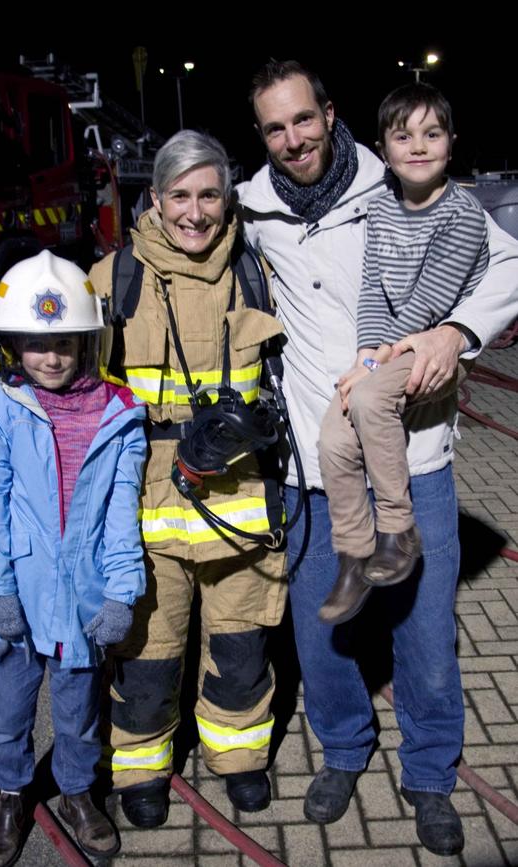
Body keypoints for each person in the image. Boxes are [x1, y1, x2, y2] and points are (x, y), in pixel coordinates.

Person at [237, 60, 518, 857]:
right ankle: (343, 749)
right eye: (274, 127)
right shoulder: (252, 206)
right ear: (262, 136)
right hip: (312, 455)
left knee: (425, 629)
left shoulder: (390, 176)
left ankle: (429, 772)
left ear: (330, 115)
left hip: (412, 446)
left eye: (304, 118)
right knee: (320, 625)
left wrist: (452, 335)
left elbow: (508, 262)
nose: (294, 138)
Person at [89, 130, 288, 829]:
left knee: (240, 643)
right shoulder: (113, 279)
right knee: (147, 647)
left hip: (238, 498)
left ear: (227, 199)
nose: (196, 212)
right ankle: (140, 763)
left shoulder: (256, 270)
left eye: (209, 194)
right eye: (181, 195)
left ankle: (238, 757)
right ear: (156, 198)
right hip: (145, 500)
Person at [0, 250, 147, 866]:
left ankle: (75, 791)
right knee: (8, 708)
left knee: (78, 711)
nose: (51, 357)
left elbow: (123, 514)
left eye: (65, 342)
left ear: (88, 340)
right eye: (36, 344)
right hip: (16, 590)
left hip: (83, 596)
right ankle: (12, 793)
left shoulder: (121, 416)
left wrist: (123, 592)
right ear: (13, 345)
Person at [317, 82, 489, 624]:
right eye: (403, 136)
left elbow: (429, 302)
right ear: (384, 149)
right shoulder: (382, 208)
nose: (417, 146)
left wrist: (374, 363)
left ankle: (398, 527)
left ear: (451, 143)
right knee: (331, 436)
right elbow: (373, 287)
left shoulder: (462, 215)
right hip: (387, 347)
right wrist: (367, 349)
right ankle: (354, 552)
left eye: (431, 134)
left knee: (367, 403)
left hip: (429, 345)